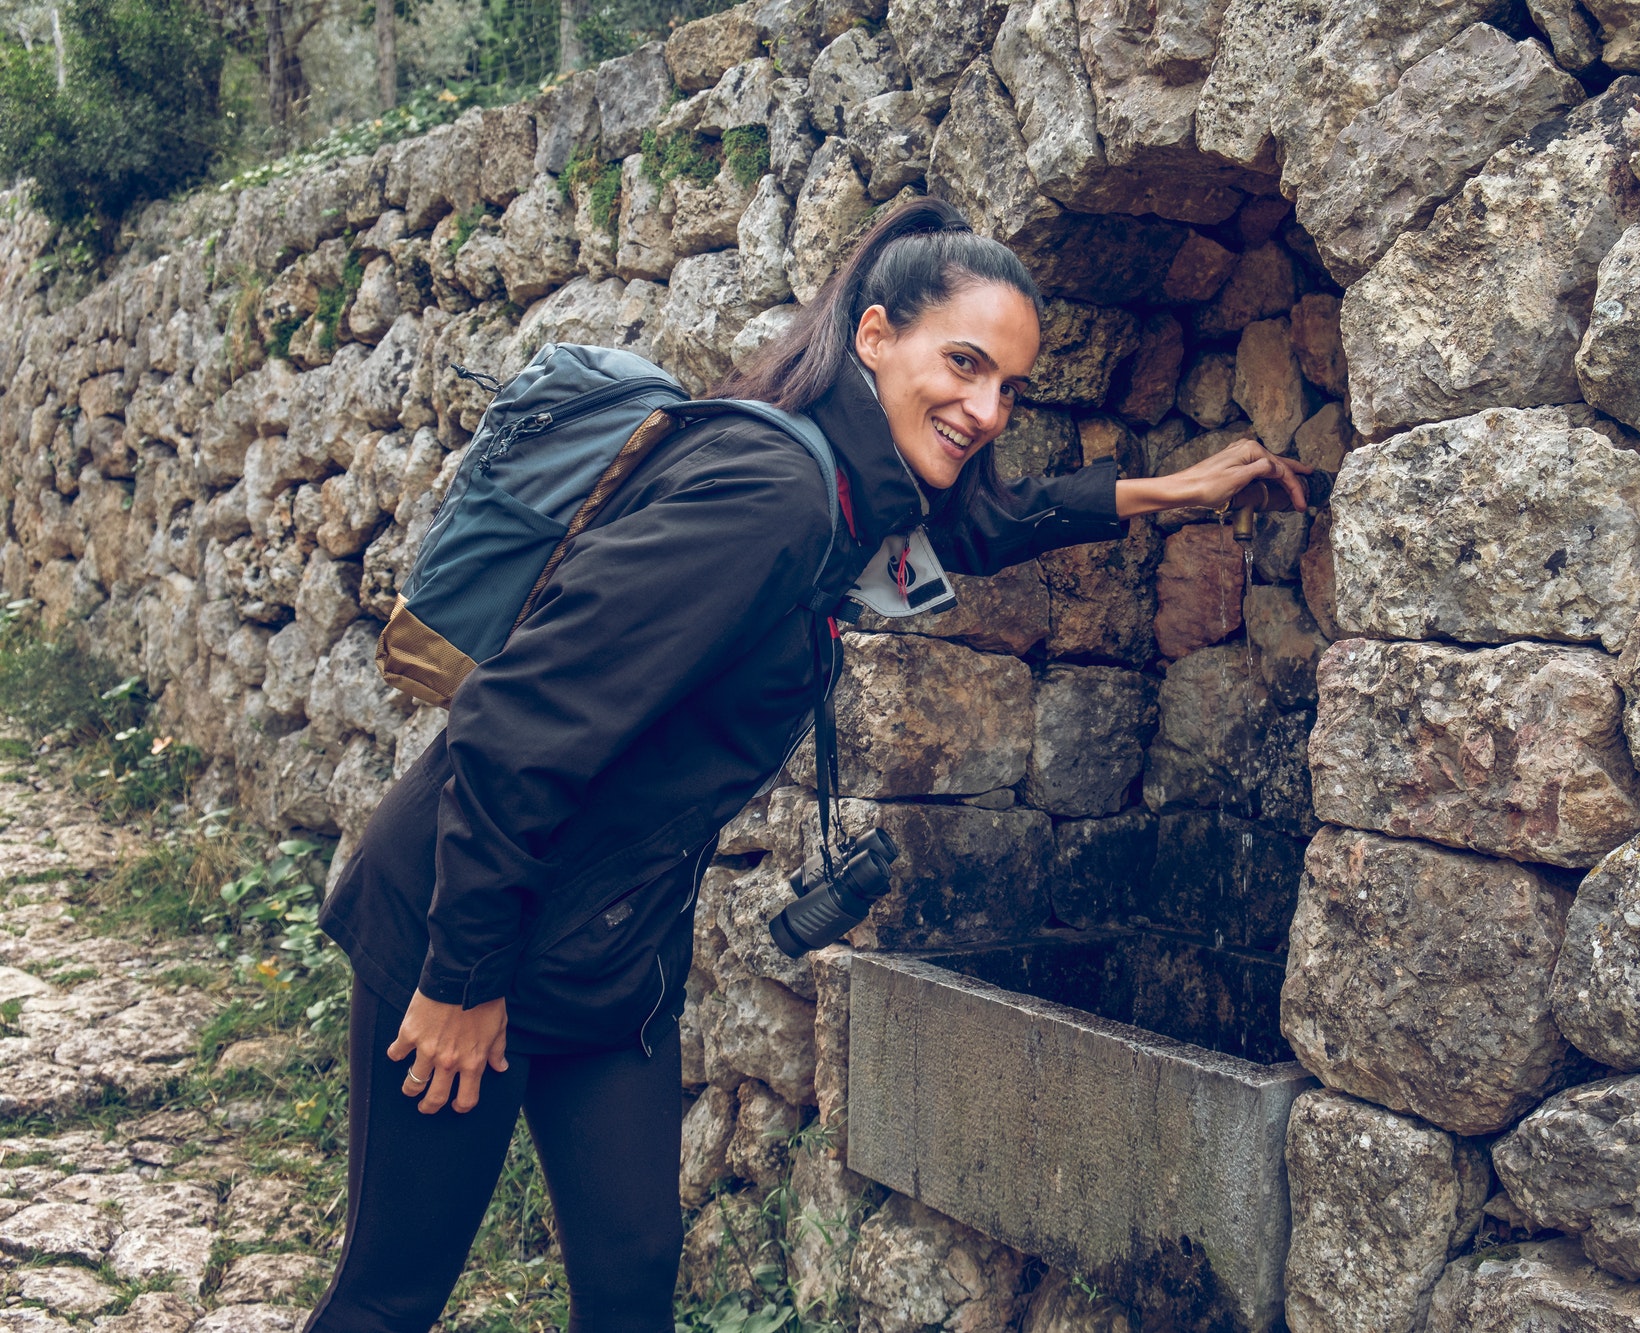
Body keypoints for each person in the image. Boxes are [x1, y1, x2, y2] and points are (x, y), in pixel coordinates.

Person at [307, 196, 1311, 1332]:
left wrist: (1164, 491)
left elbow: (980, 525)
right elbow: (511, 726)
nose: (986, 410)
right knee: (391, 1294)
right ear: (875, 334)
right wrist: (459, 977)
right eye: (965, 365)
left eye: (1010, 387)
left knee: (631, 1282)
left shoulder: (850, 487)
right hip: (469, 921)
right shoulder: (773, 493)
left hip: (606, 953)